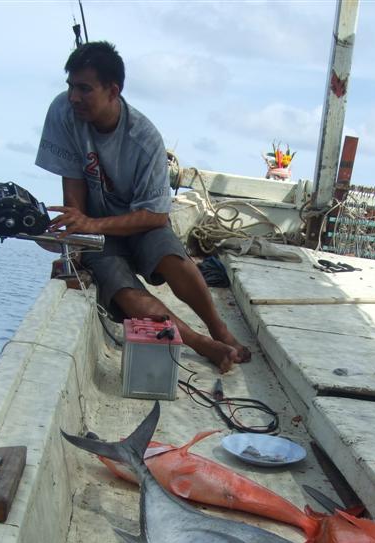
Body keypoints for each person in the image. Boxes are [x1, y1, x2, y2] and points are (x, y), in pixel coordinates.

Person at [35, 41, 250, 373]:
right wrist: (77, 236)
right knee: (123, 290)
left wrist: (93, 225)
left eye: (84, 89)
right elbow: (72, 180)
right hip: (96, 232)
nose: (74, 96)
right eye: (70, 86)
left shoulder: (145, 138)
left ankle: (218, 328)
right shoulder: (63, 112)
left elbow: (156, 215)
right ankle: (202, 343)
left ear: (113, 90)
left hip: (140, 224)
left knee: (173, 259)